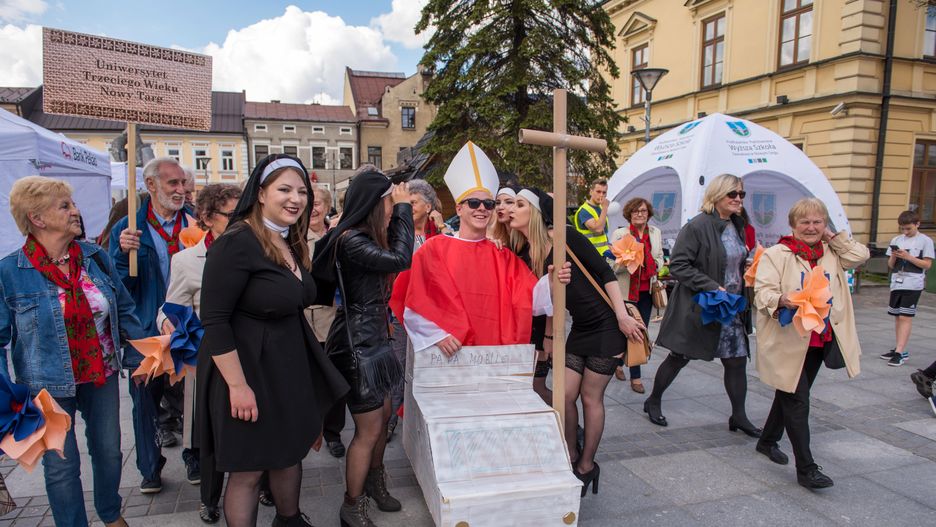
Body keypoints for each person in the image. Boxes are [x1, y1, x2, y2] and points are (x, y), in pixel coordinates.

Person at [197, 154, 348, 527]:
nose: (295, 198)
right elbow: (214, 321)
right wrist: (237, 386)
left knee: (287, 453)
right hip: (246, 370)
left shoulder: (289, 241)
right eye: (284, 189)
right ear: (261, 193)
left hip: (285, 367)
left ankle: (290, 520)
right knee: (248, 470)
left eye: (301, 191)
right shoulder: (236, 242)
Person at [0, 176, 145, 527]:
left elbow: (124, 309)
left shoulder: (95, 258)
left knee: (110, 453)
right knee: (62, 465)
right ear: (37, 218)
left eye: (73, 204)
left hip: (101, 372)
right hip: (46, 385)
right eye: (64, 206)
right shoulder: (10, 271)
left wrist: (142, 356)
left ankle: (111, 514)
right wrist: (5, 394)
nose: (76, 211)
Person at [510, 187, 645, 496]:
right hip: (581, 328)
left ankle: (586, 465)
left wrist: (623, 315)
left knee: (589, 398)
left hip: (608, 325)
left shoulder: (566, 236)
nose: (511, 210)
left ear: (534, 212)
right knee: (564, 395)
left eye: (519, 204)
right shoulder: (528, 251)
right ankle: (569, 452)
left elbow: (603, 272)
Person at [313, 167, 413, 527]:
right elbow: (403, 260)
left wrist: (397, 213)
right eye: (388, 203)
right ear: (374, 203)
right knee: (368, 430)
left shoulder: (367, 236)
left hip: (375, 339)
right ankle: (351, 506)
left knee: (383, 419)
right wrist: (404, 211)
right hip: (357, 345)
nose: (393, 208)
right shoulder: (352, 240)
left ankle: (374, 482)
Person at [753, 197, 869, 489]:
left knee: (790, 391)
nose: (811, 227)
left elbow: (861, 256)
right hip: (788, 340)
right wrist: (782, 299)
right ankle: (806, 468)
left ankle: (767, 441)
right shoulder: (776, 254)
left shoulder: (833, 252)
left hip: (820, 339)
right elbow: (761, 293)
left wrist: (834, 237)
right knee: (798, 400)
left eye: (818, 221)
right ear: (793, 225)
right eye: (804, 222)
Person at [643, 174, 760, 436]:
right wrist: (709, 284)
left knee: (736, 362)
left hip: (731, 308)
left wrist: (746, 266)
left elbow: (731, 259)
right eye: (733, 194)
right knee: (679, 357)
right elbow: (679, 266)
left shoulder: (738, 225)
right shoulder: (697, 226)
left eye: (742, 194)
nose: (739, 199)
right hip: (702, 307)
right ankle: (653, 399)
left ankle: (739, 416)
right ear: (717, 195)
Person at [109, 157, 195, 493]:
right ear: (151, 185)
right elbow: (114, 287)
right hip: (145, 334)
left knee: (191, 400)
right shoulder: (128, 229)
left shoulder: (192, 223)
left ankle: (195, 458)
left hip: (186, 329)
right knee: (144, 403)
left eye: (182, 184)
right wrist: (119, 253)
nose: (180, 190)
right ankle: (149, 467)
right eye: (173, 183)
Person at [156, 183, 241, 523]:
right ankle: (210, 497)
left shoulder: (258, 249)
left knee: (255, 425)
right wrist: (167, 323)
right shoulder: (186, 260)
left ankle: (261, 484)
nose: (240, 223)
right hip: (207, 357)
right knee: (211, 433)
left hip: (251, 351)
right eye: (232, 216)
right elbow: (170, 308)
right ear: (207, 217)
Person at [384, 179, 438, 442]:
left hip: (431, 314)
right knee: (399, 365)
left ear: (428, 206)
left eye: (413, 203)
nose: (409, 207)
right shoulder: (394, 233)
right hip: (400, 309)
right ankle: (391, 419)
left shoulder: (440, 235)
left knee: (426, 368)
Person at [304, 184, 347, 460]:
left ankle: (333, 432)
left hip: (332, 319)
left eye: (319, 202)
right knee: (306, 380)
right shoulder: (293, 238)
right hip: (305, 320)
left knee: (335, 379)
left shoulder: (338, 236)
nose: (314, 208)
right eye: (310, 202)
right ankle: (307, 429)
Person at [610, 197, 664, 393]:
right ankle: (627, 371)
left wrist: (650, 263)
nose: (640, 214)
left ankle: (628, 370)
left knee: (640, 332)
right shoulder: (620, 233)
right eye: (635, 211)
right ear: (629, 215)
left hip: (646, 292)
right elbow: (613, 263)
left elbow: (660, 259)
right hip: (625, 291)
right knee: (627, 331)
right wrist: (627, 260)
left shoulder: (655, 233)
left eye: (643, 211)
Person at [882, 210, 934, 366]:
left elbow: (927, 264)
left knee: (906, 316)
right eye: (903, 228)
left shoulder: (925, 241)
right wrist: (894, 255)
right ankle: (899, 347)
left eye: (908, 229)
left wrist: (908, 257)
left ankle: (900, 351)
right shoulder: (897, 239)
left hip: (913, 283)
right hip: (897, 282)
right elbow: (891, 265)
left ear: (917, 224)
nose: (905, 232)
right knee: (898, 316)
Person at [574, 178, 611, 255]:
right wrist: (605, 208)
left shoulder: (600, 208)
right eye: (598, 192)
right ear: (591, 192)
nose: (601, 195)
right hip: (589, 255)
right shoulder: (584, 211)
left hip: (602, 254)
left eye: (604, 192)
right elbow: (598, 229)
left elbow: (603, 235)